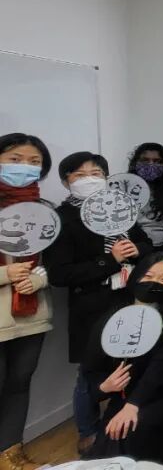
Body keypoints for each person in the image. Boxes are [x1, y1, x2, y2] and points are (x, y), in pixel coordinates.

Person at [44, 151, 153, 455]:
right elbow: (59, 274)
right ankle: (88, 431)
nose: (89, 180)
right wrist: (109, 260)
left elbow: (146, 243)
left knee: (130, 362)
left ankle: (122, 425)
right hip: (91, 304)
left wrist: (137, 250)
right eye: (80, 175)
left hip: (129, 298)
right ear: (66, 181)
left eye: (96, 174)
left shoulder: (120, 208)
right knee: (89, 371)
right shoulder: (62, 218)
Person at [82, 252, 163, 463]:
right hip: (125, 395)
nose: (154, 283)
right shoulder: (114, 316)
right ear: (137, 276)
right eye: (148, 276)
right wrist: (104, 387)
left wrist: (133, 404)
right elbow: (91, 369)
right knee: (109, 440)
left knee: (132, 428)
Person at [0, 133, 52, 470]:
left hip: (32, 313)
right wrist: (6, 274)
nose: (25, 167)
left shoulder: (45, 211)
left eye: (34, 162)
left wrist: (37, 279)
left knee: (19, 382)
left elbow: (56, 263)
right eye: (15, 159)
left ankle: (10, 453)